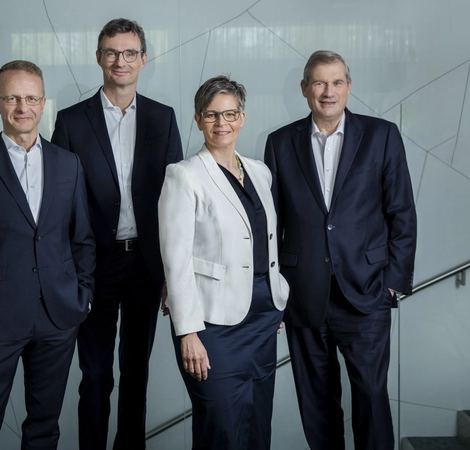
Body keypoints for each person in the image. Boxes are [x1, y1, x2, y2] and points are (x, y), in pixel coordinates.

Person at [264, 50, 417, 450]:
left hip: (366, 292)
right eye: (318, 82)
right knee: (316, 403)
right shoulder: (280, 143)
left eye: (335, 83)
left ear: (349, 87)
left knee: (369, 395)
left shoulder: (382, 135)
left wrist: (392, 283)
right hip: (302, 294)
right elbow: (270, 226)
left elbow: (401, 211)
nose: (327, 92)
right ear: (304, 89)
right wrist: (274, 293)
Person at [0, 60, 95, 449]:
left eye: (30, 97)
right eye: (12, 97)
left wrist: (83, 297)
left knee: (45, 428)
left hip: (58, 318)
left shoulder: (68, 164)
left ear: (44, 103)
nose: (22, 106)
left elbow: (83, 239)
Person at [50, 18, 183, 450]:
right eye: (111, 52)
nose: (120, 61)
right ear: (98, 58)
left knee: (136, 374)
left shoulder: (163, 119)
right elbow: (59, 203)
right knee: (95, 375)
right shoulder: (70, 122)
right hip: (92, 266)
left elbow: (175, 203)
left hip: (145, 264)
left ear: (144, 59)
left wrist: (170, 274)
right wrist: (68, 271)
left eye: (129, 53)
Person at [158, 75, 289, 449]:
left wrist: (275, 298)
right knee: (222, 429)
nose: (222, 124)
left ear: (242, 118)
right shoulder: (183, 176)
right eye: (212, 115)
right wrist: (188, 333)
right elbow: (176, 260)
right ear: (198, 120)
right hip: (212, 325)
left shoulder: (260, 172)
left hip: (263, 314)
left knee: (256, 422)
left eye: (230, 114)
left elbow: (267, 243)